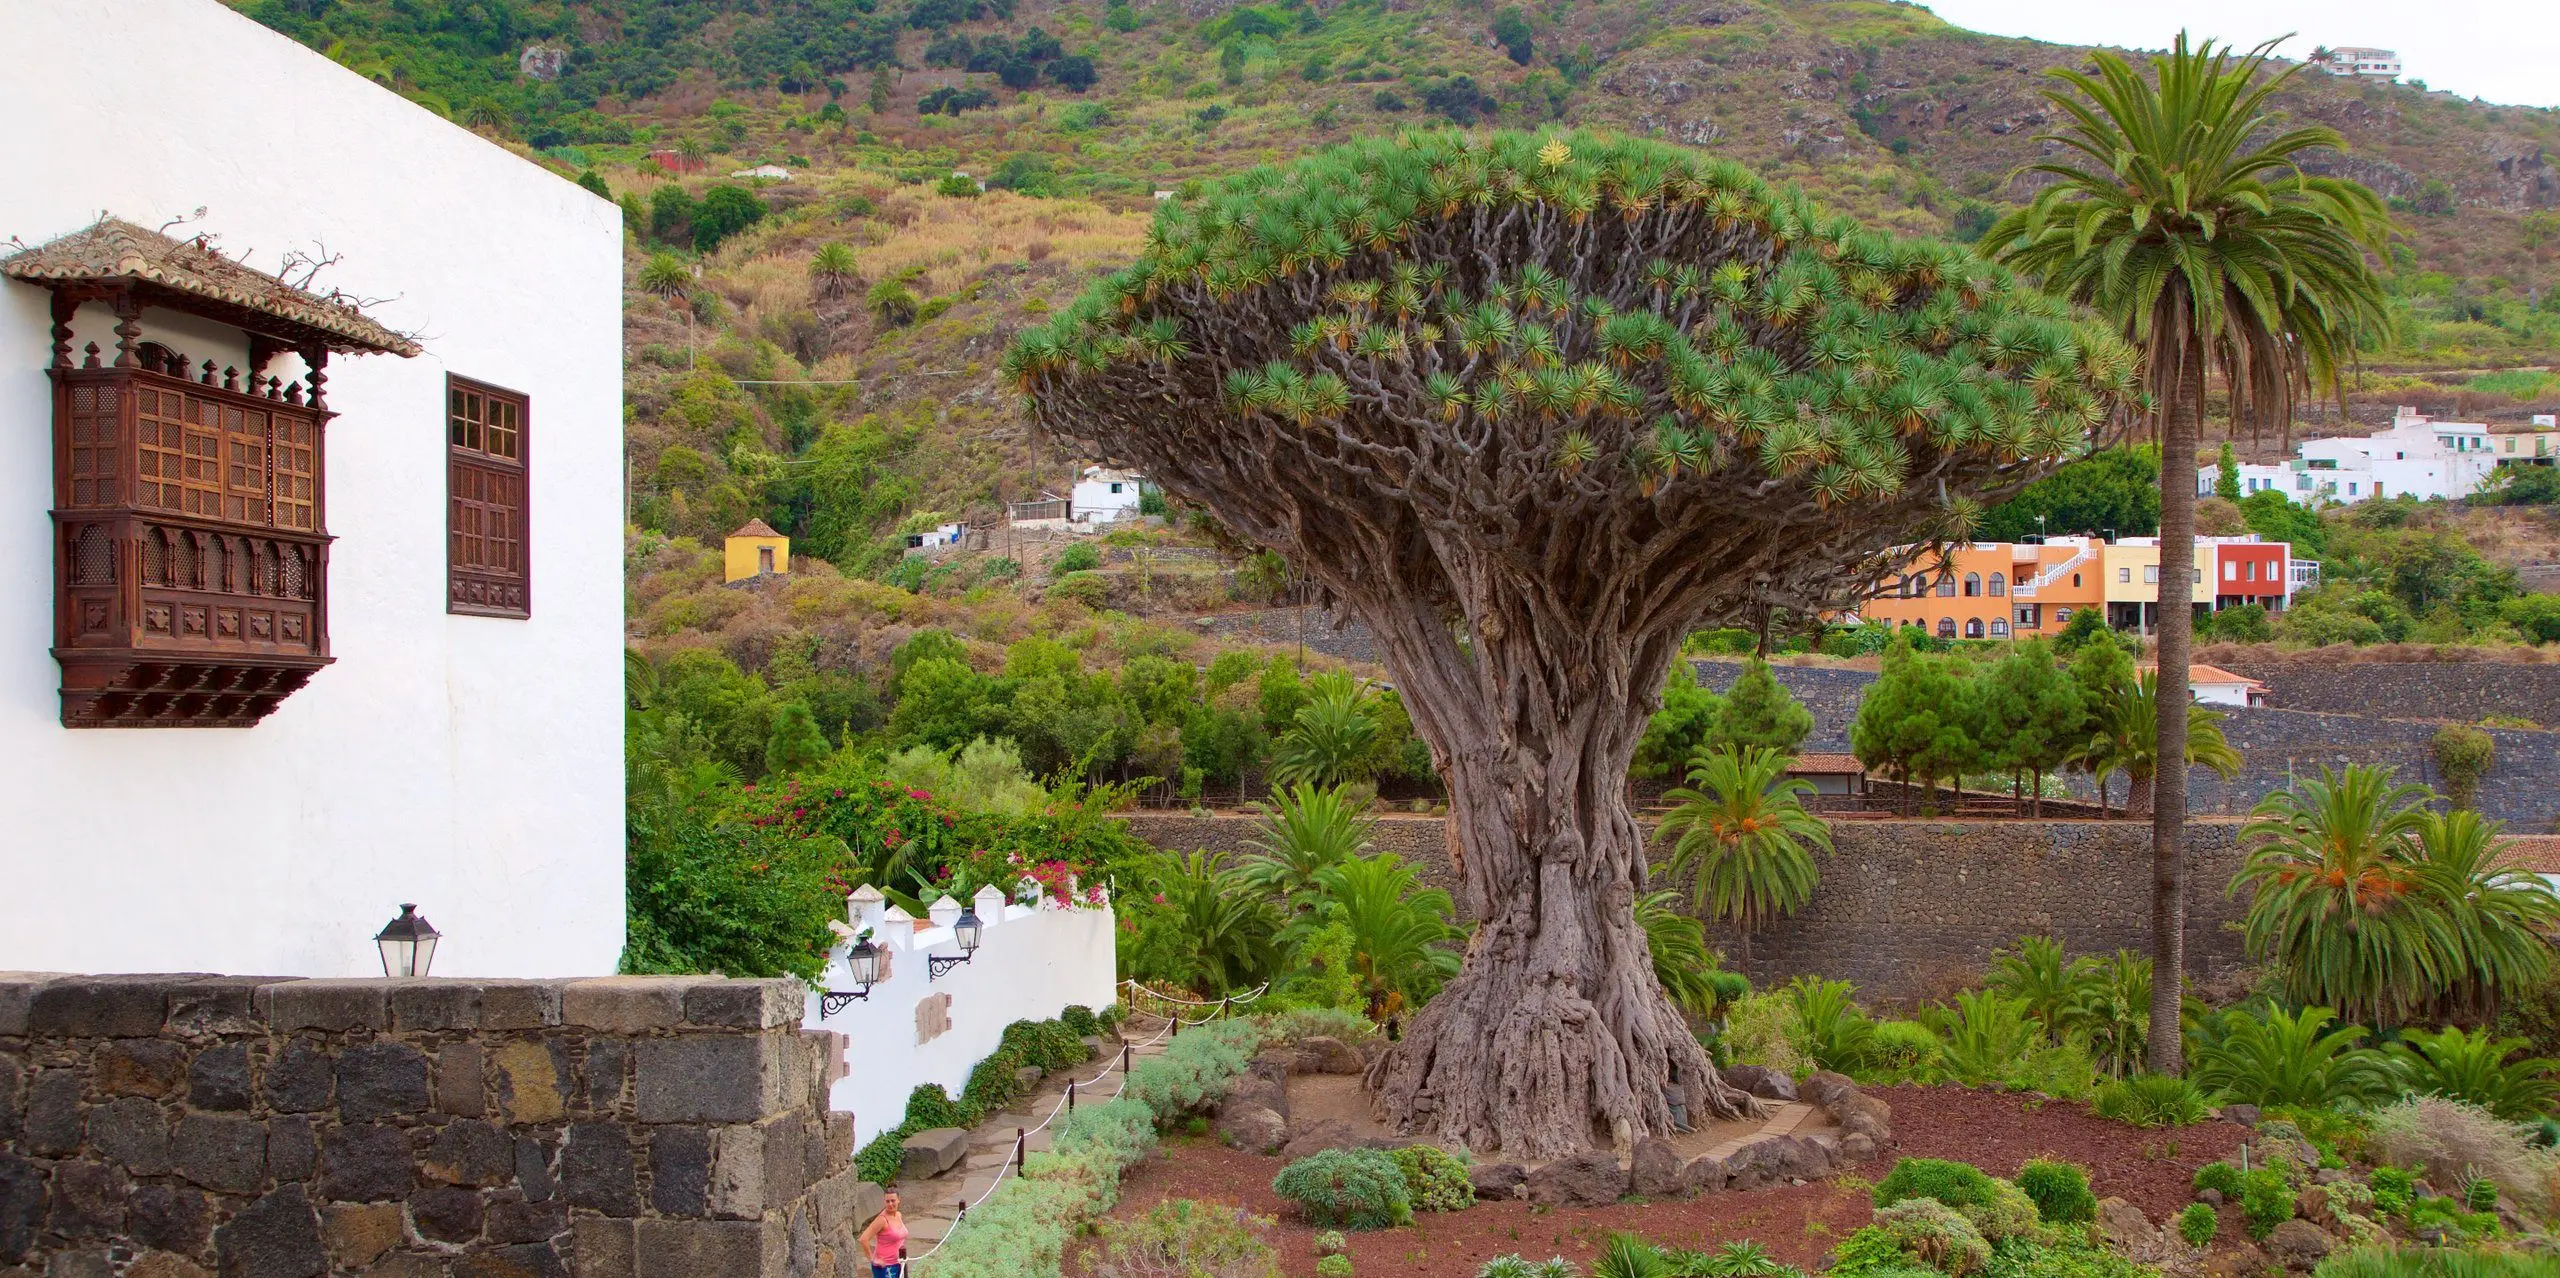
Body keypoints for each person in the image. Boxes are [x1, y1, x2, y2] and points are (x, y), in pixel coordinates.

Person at [856, 1188, 908, 1278]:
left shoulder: (899, 1215)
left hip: (898, 1263)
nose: (890, 1204)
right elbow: (863, 1239)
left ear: (899, 1200)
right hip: (885, 1266)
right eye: (887, 1201)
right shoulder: (882, 1219)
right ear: (884, 1201)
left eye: (893, 1200)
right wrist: (872, 1259)